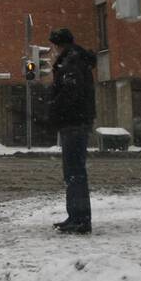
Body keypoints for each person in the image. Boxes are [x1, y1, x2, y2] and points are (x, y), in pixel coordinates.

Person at [48, 28, 98, 235]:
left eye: (53, 46)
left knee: (74, 172)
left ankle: (80, 219)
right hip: (77, 121)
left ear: (58, 45)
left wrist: (54, 108)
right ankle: (76, 217)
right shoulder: (75, 60)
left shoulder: (71, 63)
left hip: (74, 123)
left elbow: (70, 93)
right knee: (74, 172)